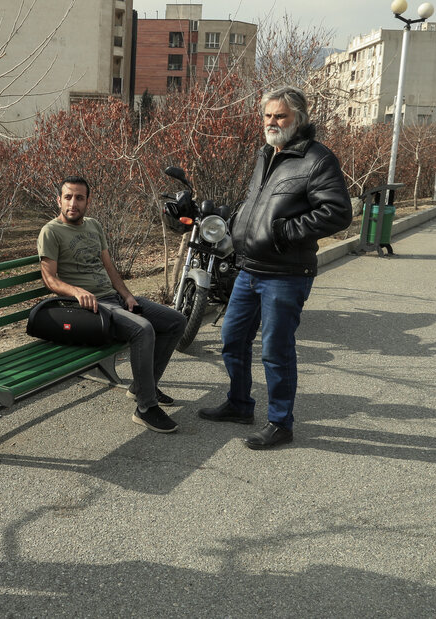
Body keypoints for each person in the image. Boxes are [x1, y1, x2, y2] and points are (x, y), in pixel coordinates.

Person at [198, 87, 352, 449]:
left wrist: (283, 232)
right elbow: (260, 203)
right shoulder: (266, 154)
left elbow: (338, 212)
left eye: (279, 116)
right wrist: (237, 223)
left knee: (276, 350)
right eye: (267, 116)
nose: (271, 122)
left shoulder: (317, 159)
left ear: (298, 119)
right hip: (248, 268)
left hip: (285, 273)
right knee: (231, 340)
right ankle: (239, 404)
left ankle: (281, 423)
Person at [37, 176, 186, 434]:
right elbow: (50, 279)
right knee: (143, 329)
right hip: (89, 309)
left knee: (176, 321)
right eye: (68, 197)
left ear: (87, 201)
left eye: (79, 198)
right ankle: (145, 407)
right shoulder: (51, 232)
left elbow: (109, 268)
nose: (73, 203)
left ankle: (143, 386)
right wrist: (77, 291)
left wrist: (128, 295)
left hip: (114, 299)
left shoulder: (94, 226)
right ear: (59, 200)